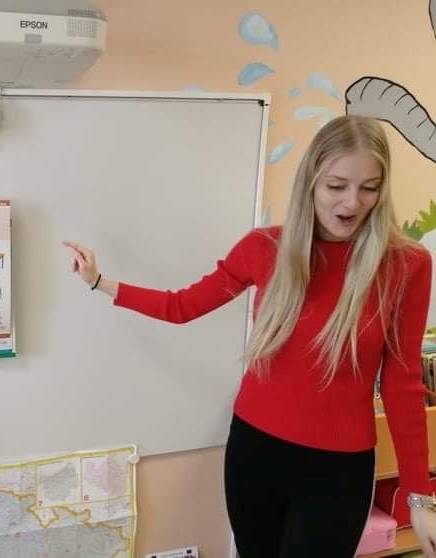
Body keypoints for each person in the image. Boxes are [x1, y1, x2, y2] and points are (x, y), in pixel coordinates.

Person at [64, 115, 436, 558]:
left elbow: (402, 384)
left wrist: (419, 497)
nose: (352, 202)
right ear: (311, 181)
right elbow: (182, 306)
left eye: (369, 188)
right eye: (336, 186)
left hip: (339, 471)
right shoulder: (264, 249)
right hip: (255, 453)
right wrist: (100, 281)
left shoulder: (406, 265)